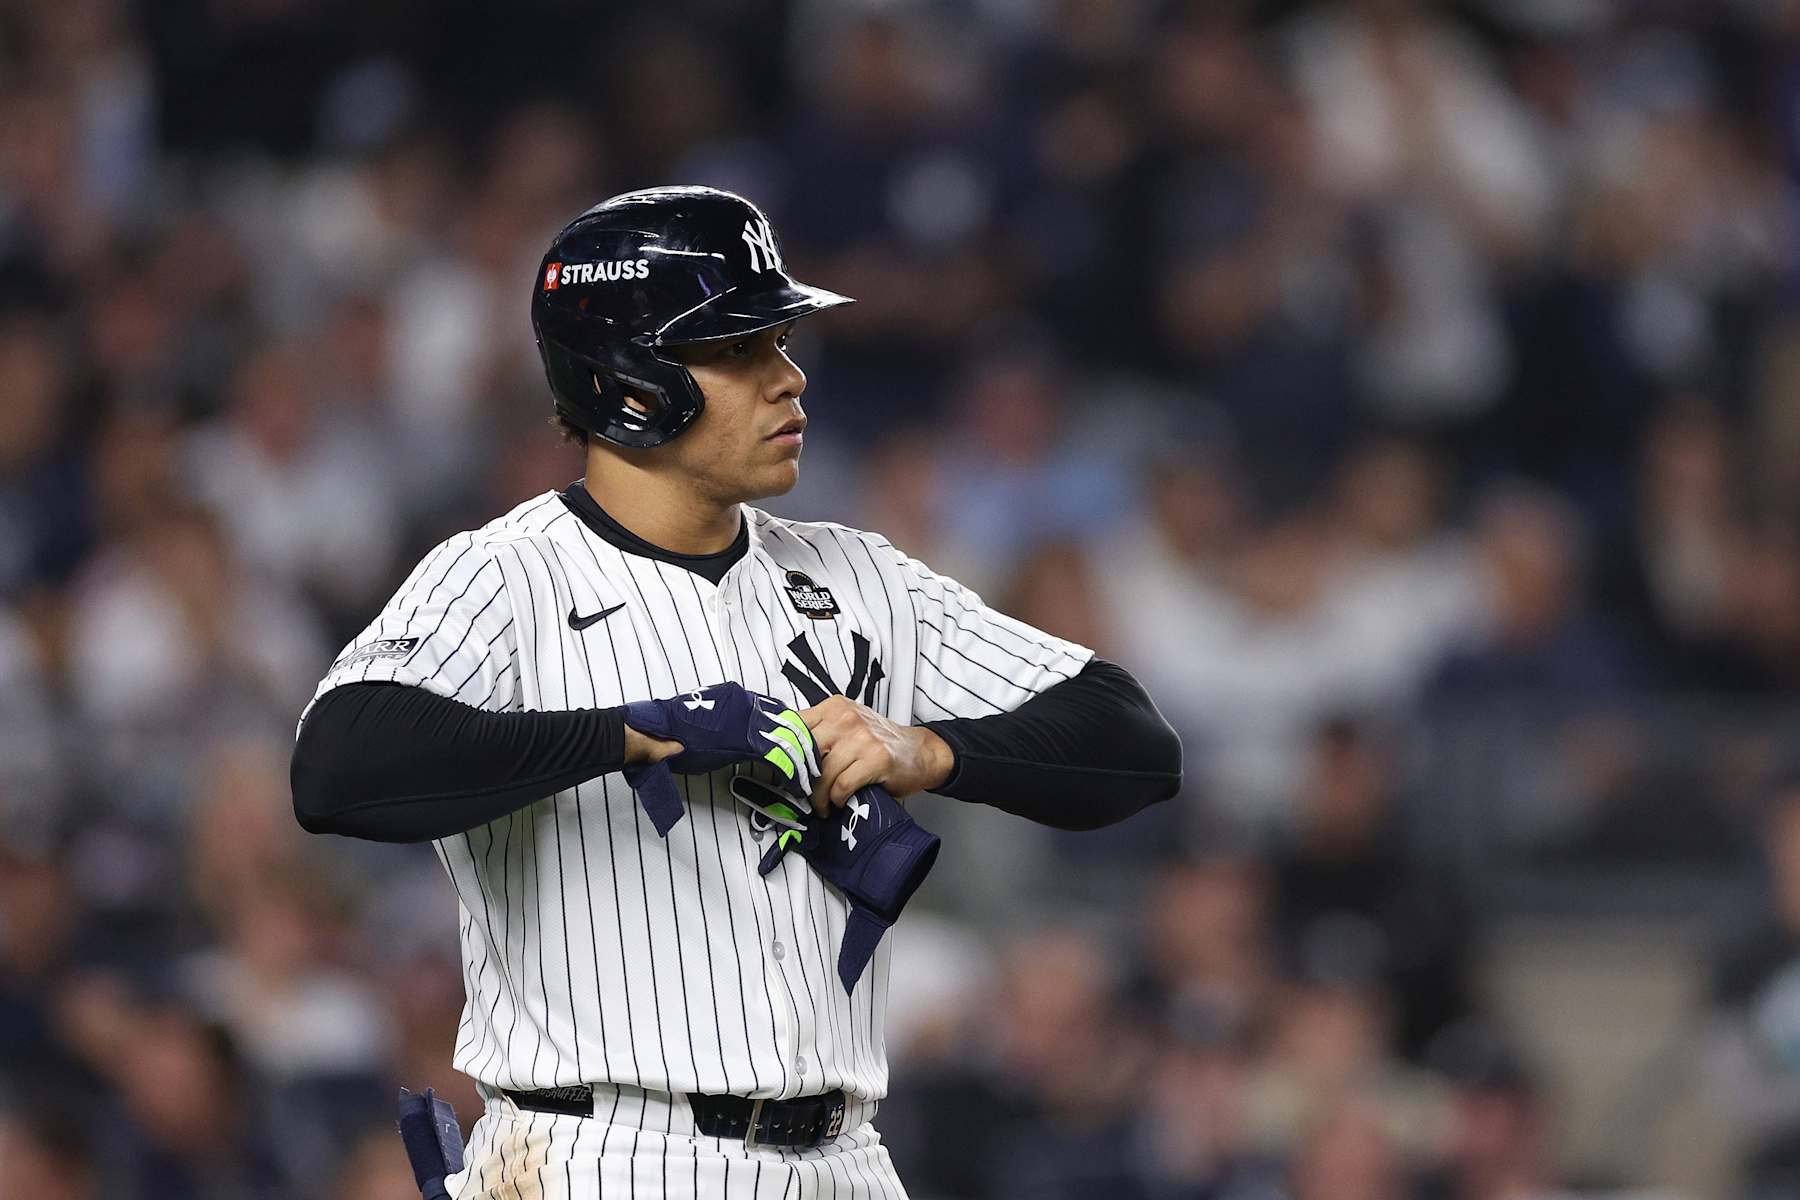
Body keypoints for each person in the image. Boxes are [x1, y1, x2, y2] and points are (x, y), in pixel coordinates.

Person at [289, 186, 1182, 1198]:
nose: (790, 380)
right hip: (605, 1154)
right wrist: (633, 734)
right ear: (630, 381)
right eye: (742, 352)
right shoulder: (505, 576)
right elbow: (336, 767)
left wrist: (930, 751)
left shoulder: (860, 577)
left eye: (782, 344)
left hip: (846, 1158)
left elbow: (1135, 742)